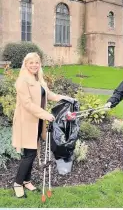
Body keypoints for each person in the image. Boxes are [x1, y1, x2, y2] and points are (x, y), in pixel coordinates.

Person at [12, 52, 70, 198]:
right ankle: (18, 183)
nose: (34, 65)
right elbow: (27, 104)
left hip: (37, 121)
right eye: (31, 62)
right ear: (25, 64)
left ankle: (26, 180)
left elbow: (48, 95)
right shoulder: (22, 81)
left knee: (33, 152)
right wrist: (46, 115)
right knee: (29, 154)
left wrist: (65, 98)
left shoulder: (38, 79)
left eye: (37, 62)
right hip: (27, 121)